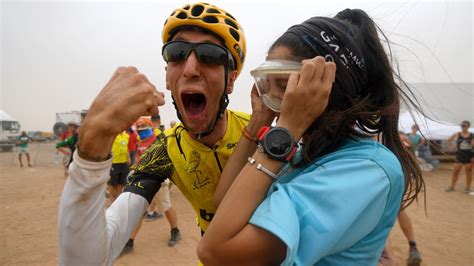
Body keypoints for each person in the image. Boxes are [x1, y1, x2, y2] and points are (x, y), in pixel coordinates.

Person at [197, 9, 424, 265]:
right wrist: (261, 120)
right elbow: (223, 201)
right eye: (267, 85)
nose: (274, 98)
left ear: (329, 86)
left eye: (285, 85)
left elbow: (216, 251)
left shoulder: (368, 168)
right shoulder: (302, 152)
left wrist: (286, 131)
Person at [58, 3, 252, 263]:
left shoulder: (258, 131)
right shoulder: (165, 151)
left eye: (210, 55)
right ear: (167, 77)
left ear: (230, 80)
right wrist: (91, 146)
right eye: (177, 53)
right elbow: (87, 260)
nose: (190, 69)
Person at [121, 117, 180, 254]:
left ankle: (175, 230)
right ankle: (129, 242)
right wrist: (133, 171)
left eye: (143, 128)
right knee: (139, 211)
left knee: (165, 206)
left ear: (150, 126)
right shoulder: (140, 143)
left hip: (159, 179)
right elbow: (138, 159)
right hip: (143, 181)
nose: (141, 131)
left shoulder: (159, 139)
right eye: (139, 128)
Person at [445, 120, 473, 193]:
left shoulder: (472, 135)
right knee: (456, 171)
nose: (462, 127)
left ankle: (467, 188)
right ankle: (452, 187)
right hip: (459, 155)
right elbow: (449, 140)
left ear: (468, 126)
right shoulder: (457, 134)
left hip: (469, 156)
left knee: (468, 172)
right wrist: (453, 147)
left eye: (464, 126)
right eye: (461, 125)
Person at [107, 131, 130, 203]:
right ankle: (111, 199)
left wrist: (128, 157)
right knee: (112, 182)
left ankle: (118, 198)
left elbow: (126, 147)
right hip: (114, 162)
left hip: (123, 162)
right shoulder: (112, 135)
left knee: (121, 182)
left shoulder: (126, 135)